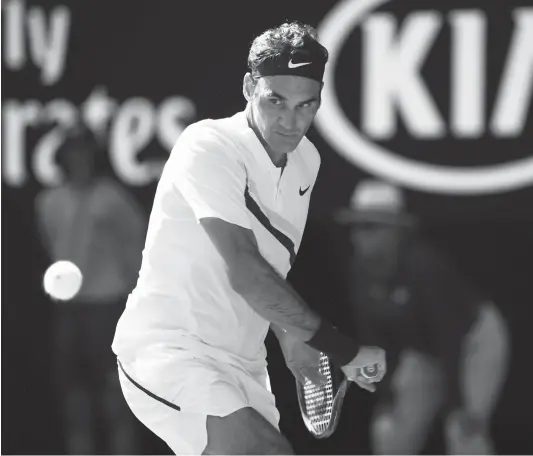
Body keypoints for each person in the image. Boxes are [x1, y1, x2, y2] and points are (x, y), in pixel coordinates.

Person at [112, 22, 387, 455]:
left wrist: (291, 335)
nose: (289, 121)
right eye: (275, 100)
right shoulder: (207, 145)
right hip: (169, 348)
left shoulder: (305, 163)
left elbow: (269, 267)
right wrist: (341, 348)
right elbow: (245, 270)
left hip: (243, 364)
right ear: (248, 87)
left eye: (305, 105)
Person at [336, 179, 510, 455]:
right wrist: (386, 391)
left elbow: (450, 338)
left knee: (462, 430)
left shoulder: (424, 268)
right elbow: (371, 335)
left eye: (371, 227)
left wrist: (458, 404)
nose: (360, 236)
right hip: (423, 351)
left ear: (396, 231)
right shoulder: (358, 271)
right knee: (389, 429)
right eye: (355, 227)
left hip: (475, 343)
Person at [35, 126, 147, 455]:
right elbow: (51, 245)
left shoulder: (112, 198)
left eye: (84, 152)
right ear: (63, 158)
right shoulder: (49, 201)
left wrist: (126, 297)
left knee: (115, 397)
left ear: (93, 156)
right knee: (74, 399)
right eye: (72, 152)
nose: (78, 159)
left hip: (108, 307)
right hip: (69, 310)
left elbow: (137, 245)